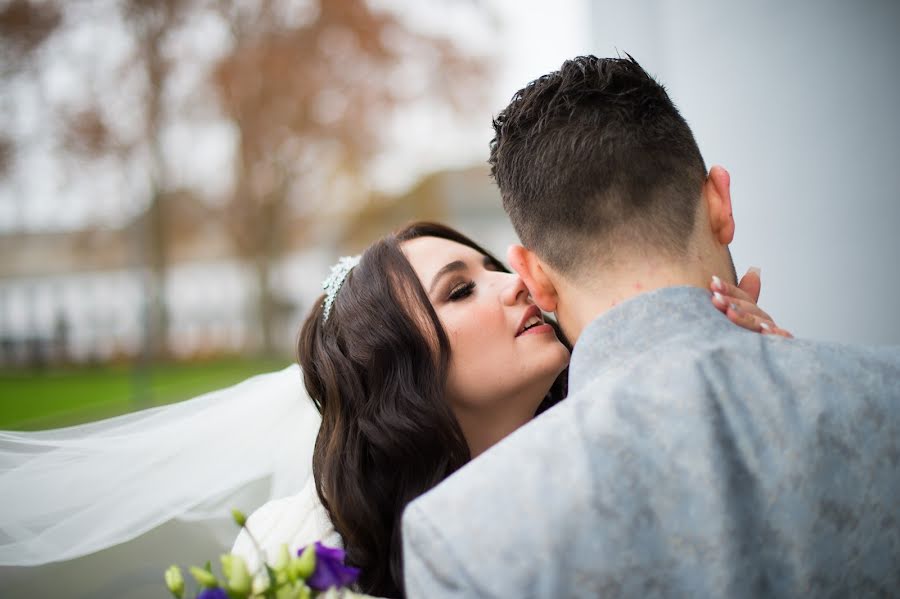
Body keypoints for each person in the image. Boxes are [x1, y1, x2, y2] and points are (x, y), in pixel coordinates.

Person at [401, 55, 900, 597]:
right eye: (457, 291)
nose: (507, 292)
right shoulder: (883, 391)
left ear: (533, 276)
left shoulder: (462, 535)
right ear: (720, 203)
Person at [233, 221, 786, 598]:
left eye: (492, 267)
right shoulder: (302, 549)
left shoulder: (628, 437)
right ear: (396, 372)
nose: (517, 283)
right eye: (459, 291)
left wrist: (758, 375)